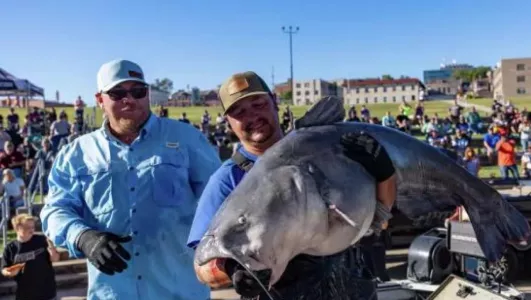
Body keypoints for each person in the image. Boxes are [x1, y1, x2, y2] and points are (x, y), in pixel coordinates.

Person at [188, 71, 397, 299]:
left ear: (274, 103)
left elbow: (379, 223)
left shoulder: (325, 149)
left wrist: (384, 173)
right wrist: (232, 270)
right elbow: (202, 267)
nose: (252, 116)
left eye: (258, 104)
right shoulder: (227, 180)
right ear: (228, 121)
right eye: (239, 112)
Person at [40, 59, 221, 300]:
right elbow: (55, 209)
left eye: (138, 91)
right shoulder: (77, 154)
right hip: (112, 293)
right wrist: (83, 237)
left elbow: (222, 202)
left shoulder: (187, 139)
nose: (129, 99)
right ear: (100, 99)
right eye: (117, 93)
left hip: (180, 291)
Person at [2, 214, 60, 300]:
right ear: (17, 228)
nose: (31, 229)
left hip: (47, 292)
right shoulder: (10, 248)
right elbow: (4, 269)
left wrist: (52, 249)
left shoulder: (42, 240)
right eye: (27, 227)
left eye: (33, 227)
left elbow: (55, 259)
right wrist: (9, 272)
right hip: (24, 294)